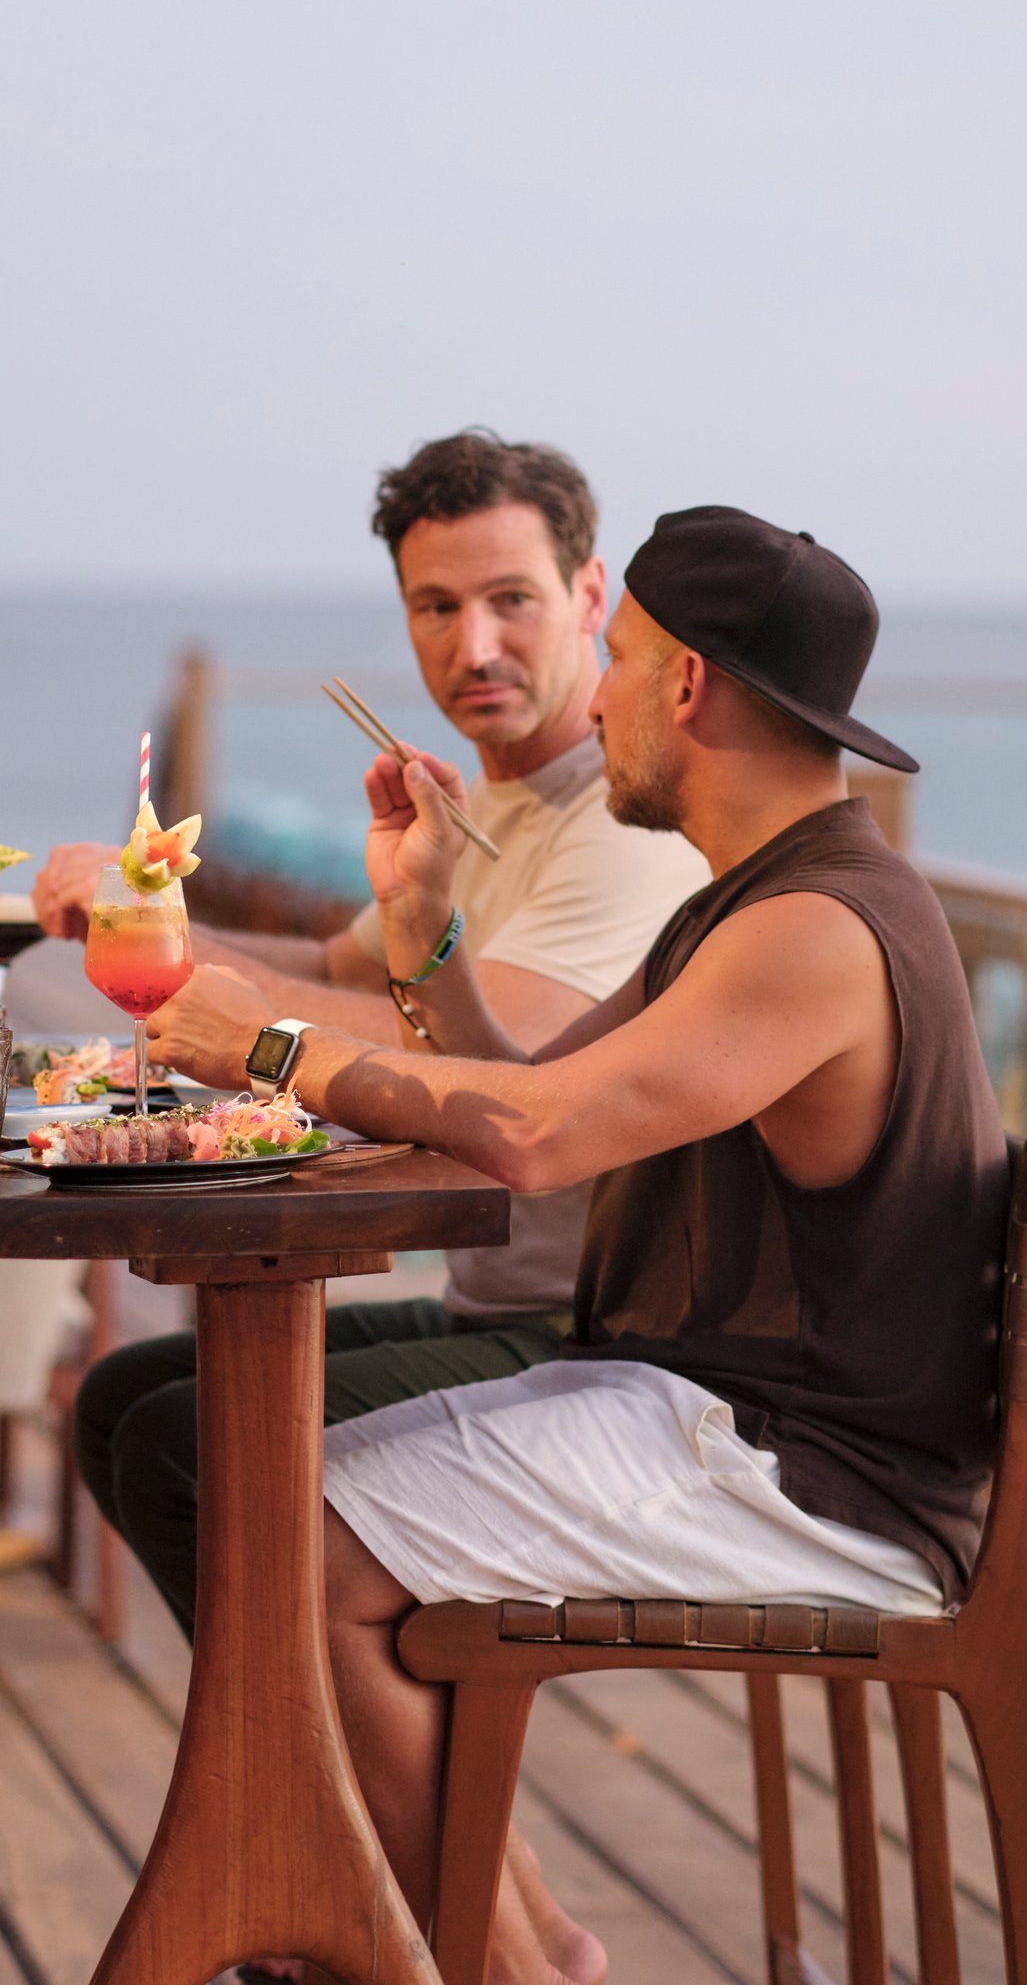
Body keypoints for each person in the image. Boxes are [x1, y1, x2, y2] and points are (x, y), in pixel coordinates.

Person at [147, 507, 1006, 1985]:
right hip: (724, 1411)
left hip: (809, 1470)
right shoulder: (755, 901)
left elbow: (535, 1144)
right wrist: (420, 920)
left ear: (686, 683)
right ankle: (444, 1939)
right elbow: (513, 1094)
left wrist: (266, 1042)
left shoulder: (815, 931)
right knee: (269, 1499)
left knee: (288, 1530)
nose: (589, 696)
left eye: (611, 661)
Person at [40, 431, 704, 1632]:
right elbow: (338, 970)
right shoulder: (488, 800)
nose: (474, 646)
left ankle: (333, 1792)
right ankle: (304, 1778)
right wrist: (149, 922)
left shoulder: (624, 825)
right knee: (124, 1398)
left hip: (610, 1337)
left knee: (186, 1443)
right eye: (435, 607)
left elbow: (498, 1056)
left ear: (590, 596)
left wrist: (241, 1024)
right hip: (496, 1300)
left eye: (512, 601)